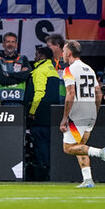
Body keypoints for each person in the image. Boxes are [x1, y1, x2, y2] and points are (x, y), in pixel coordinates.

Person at [60, 40, 105, 188]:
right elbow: (99, 93)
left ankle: (101, 152)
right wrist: (94, 112)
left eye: (64, 51)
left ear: (69, 53)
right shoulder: (89, 69)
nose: (62, 54)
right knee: (80, 145)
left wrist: (64, 118)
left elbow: (70, 94)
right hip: (90, 111)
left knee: (68, 148)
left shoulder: (69, 70)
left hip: (77, 112)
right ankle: (88, 179)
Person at [25, 47, 59, 181]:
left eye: (36, 54)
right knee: (48, 143)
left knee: (40, 144)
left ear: (41, 56)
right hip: (51, 114)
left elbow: (39, 92)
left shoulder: (40, 70)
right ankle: (50, 170)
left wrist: (32, 111)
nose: (35, 56)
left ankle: (43, 172)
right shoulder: (53, 71)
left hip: (39, 115)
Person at [0, 32, 32, 105]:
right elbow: (0, 79)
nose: (10, 44)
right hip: (1, 101)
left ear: (16, 44)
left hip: (20, 100)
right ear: (3, 44)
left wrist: (8, 75)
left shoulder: (23, 59)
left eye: (13, 42)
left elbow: (26, 76)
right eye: (8, 42)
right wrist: (19, 76)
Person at [45, 33, 68, 103]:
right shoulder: (47, 62)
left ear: (57, 46)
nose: (47, 49)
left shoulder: (68, 62)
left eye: (49, 46)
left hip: (64, 101)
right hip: (50, 100)